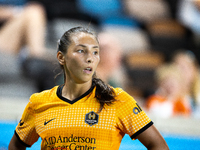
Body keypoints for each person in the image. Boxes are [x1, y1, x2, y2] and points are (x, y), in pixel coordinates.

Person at [8, 27, 169, 150]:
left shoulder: (118, 99)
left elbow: (159, 146)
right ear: (61, 57)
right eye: (81, 51)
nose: (90, 58)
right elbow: (15, 146)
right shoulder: (38, 102)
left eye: (95, 52)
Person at [172, 50, 200, 118]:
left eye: (183, 68)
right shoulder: (163, 95)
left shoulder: (197, 96)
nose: (178, 72)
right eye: (175, 68)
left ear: (194, 70)